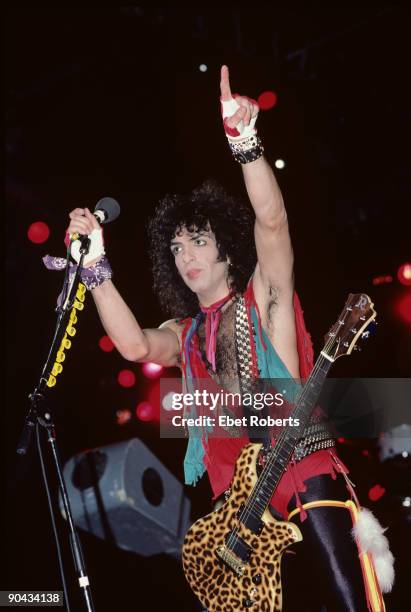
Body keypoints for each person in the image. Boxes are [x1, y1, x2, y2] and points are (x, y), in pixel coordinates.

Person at [60, 66, 390, 611]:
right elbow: (135, 347)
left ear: (225, 249)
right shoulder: (185, 335)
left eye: (196, 241)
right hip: (239, 522)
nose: (185, 255)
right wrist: (96, 267)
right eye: (176, 249)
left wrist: (245, 142)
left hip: (303, 477)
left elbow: (274, 221)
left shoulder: (265, 298)